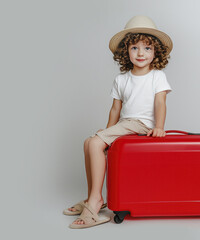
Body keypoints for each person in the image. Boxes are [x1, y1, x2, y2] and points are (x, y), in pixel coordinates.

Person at [63, 15, 173, 229]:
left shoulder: (157, 76)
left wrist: (159, 127)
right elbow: (116, 108)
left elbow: (161, 103)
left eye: (147, 48)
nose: (141, 53)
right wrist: (107, 131)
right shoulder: (121, 79)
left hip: (142, 126)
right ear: (126, 51)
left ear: (155, 52)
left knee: (95, 142)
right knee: (89, 142)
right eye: (134, 47)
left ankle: (95, 202)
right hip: (125, 124)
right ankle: (91, 198)